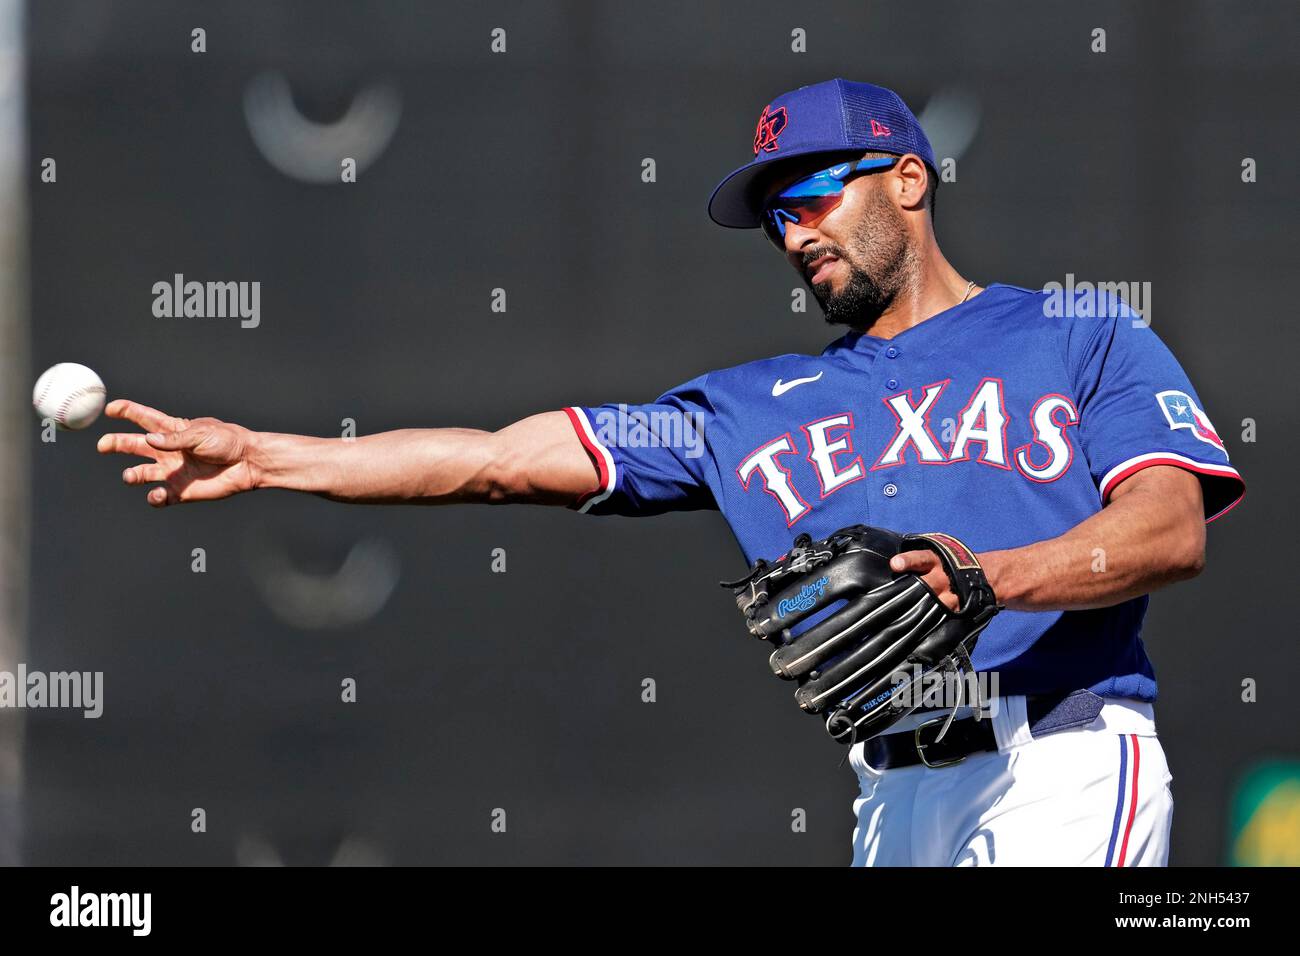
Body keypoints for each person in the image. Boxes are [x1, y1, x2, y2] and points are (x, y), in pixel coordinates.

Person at [99, 79, 1244, 866]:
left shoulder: (1074, 334)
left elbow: (1165, 529)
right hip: (896, 789)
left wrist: (986, 577)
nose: (792, 232)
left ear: (907, 179)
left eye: (810, 195)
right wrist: (264, 457)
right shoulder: (744, 410)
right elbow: (498, 460)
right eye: (771, 218)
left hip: (1061, 759)